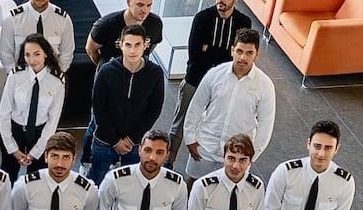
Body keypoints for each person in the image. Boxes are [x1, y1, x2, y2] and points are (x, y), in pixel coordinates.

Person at [165, 0, 251, 169]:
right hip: (195, 80)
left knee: (216, 123)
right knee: (179, 124)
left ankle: (206, 165)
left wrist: (209, 49)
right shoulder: (202, 18)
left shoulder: (243, 22)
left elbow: (236, 59)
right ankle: (168, 161)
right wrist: (225, 52)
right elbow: (195, 53)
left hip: (223, 84)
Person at [181, 28, 275, 180]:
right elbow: (196, 106)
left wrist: (253, 154)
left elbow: (266, 123)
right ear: (232, 50)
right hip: (206, 145)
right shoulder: (214, 74)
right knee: (194, 182)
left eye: (249, 53)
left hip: (238, 153)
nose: (243, 57)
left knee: (231, 189)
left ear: (257, 54)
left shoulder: (265, 85)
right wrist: (190, 138)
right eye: (239, 51)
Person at [81, 0, 163, 167]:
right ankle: (87, 160)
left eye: (149, 5)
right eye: (140, 5)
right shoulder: (106, 24)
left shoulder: (155, 23)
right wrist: (105, 68)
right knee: (96, 123)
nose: (144, 10)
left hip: (137, 78)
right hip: (109, 78)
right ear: (128, 2)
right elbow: (90, 48)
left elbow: (151, 48)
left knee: (134, 115)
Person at [87, 24, 165, 185]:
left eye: (137, 45)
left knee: (130, 184)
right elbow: (99, 108)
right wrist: (115, 141)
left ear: (145, 45)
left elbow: (154, 109)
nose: (132, 50)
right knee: (96, 181)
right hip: (105, 139)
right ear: (120, 45)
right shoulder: (106, 71)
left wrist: (132, 138)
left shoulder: (155, 73)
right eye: (128, 45)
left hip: (135, 142)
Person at [0, 34, 67, 181]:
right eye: (27, 55)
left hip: (40, 134)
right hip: (14, 130)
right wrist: (12, 148)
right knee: (8, 175)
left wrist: (35, 153)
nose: (32, 60)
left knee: (37, 178)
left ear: (45, 54)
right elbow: (4, 112)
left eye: (37, 54)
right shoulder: (15, 76)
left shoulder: (57, 81)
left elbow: (53, 120)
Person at [0, 0, 75, 72]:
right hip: (20, 76)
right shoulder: (13, 19)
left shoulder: (63, 19)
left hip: (53, 75)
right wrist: (16, 76)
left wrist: (55, 75)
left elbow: (67, 53)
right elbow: (6, 54)